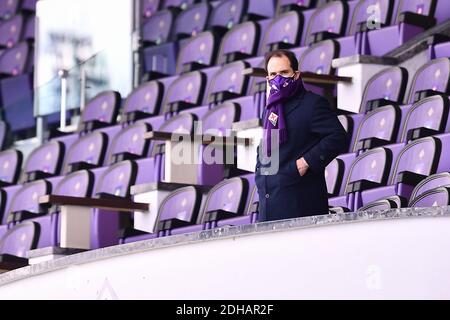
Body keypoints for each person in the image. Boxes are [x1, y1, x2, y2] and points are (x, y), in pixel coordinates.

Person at [255, 49, 349, 222]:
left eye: (284, 72)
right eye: (273, 74)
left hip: (301, 207)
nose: (278, 78)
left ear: (296, 74)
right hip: (270, 207)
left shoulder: (312, 104)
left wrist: (306, 162)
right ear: (268, 79)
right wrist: (260, 178)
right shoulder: (268, 111)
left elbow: (338, 137)